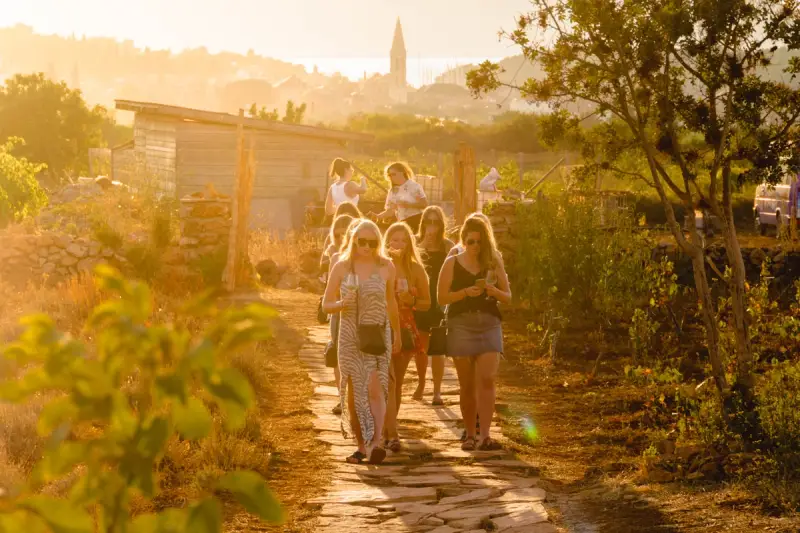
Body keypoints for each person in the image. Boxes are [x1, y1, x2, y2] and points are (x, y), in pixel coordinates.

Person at [323, 219, 401, 464]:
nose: (366, 246)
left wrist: (397, 332)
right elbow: (326, 304)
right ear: (353, 239)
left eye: (372, 242)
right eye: (362, 241)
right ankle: (360, 446)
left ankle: (376, 443)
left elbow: (391, 302)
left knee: (376, 388)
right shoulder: (341, 267)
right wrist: (341, 304)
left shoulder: (387, 266)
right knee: (355, 391)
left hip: (377, 332)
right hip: (348, 334)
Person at [438, 216, 512, 452]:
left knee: (487, 379)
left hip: (489, 323)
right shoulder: (452, 262)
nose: (475, 246)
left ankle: (486, 435)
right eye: (470, 241)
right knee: (467, 384)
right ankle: (470, 434)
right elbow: (441, 298)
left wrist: (493, 290)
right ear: (463, 240)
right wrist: (463, 294)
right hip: (461, 324)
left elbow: (508, 296)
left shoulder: (493, 262)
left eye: (479, 242)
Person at [382, 222, 430, 452]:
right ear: (386, 241)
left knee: (396, 382)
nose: (398, 244)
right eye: (394, 239)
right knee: (384, 380)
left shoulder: (416, 270)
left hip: (405, 325)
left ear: (410, 243)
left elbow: (428, 303)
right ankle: (386, 430)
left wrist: (412, 301)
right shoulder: (381, 266)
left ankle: (390, 428)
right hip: (381, 325)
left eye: (403, 240)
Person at [413, 206, 455, 405]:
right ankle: (421, 383)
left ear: (441, 225)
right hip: (420, 300)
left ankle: (437, 390)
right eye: (428, 222)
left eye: (435, 222)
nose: (431, 227)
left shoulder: (448, 246)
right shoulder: (415, 243)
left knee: (437, 348)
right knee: (420, 347)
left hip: (439, 301)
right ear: (423, 224)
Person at [321, 214, 356, 415]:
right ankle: (342, 397)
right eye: (338, 233)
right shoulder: (335, 258)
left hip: (359, 315)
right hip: (339, 313)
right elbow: (330, 289)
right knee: (338, 355)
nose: (342, 237)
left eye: (346, 233)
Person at [372, 162, 428, 233]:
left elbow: (424, 204)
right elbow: (390, 211)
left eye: (394, 174)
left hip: (417, 220)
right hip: (403, 223)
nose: (391, 177)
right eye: (390, 175)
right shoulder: (392, 191)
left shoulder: (414, 186)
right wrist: (378, 216)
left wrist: (409, 205)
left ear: (402, 172)